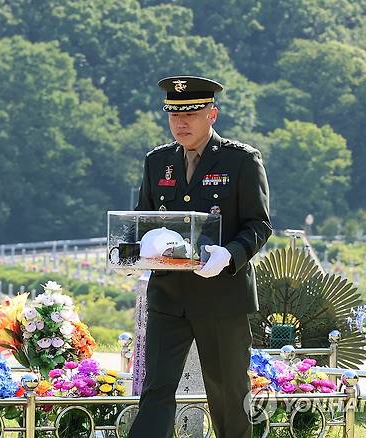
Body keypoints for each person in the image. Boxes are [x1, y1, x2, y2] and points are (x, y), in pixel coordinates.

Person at [127, 76, 272, 438]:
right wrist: (134, 252)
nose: (181, 122)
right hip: (168, 296)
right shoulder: (157, 162)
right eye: (174, 114)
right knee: (156, 390)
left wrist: (230, 254)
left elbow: (259, 224)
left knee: (228, 393)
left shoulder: (241, 161)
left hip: (222, 298)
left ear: (212, 115)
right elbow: (142, 220)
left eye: (191, 113)